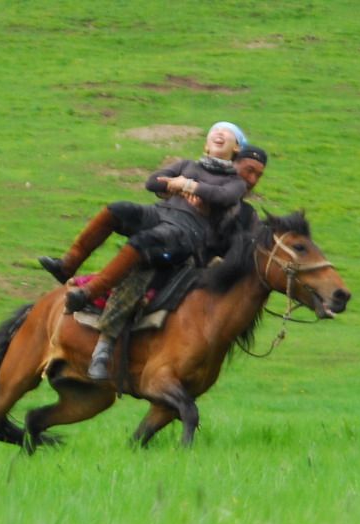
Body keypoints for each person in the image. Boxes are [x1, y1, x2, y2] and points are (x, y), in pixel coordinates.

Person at [39, 122, 249, 379]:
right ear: (206, 143)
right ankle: (68, 264)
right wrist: (181, 184)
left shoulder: (234, 182)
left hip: (188, 232)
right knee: (117, 210)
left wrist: (187, 186)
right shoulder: (186, 166)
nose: (220, 133)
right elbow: (152, 182)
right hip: (159, 213)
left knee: (144, 243)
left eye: (228, 133)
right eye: (215, 130)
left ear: (236, 147)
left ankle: (89, 293)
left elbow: (222, 197)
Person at [87, 144, 269, 380]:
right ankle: (105, 345)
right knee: (140, 275)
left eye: (258, 175)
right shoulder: (194, 192)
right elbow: (159, 191)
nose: (253, 179)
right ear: (232, 166)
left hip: (204, 273)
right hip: (172, 255)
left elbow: (246, 252)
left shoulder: (248, 215)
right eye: (248, 170)